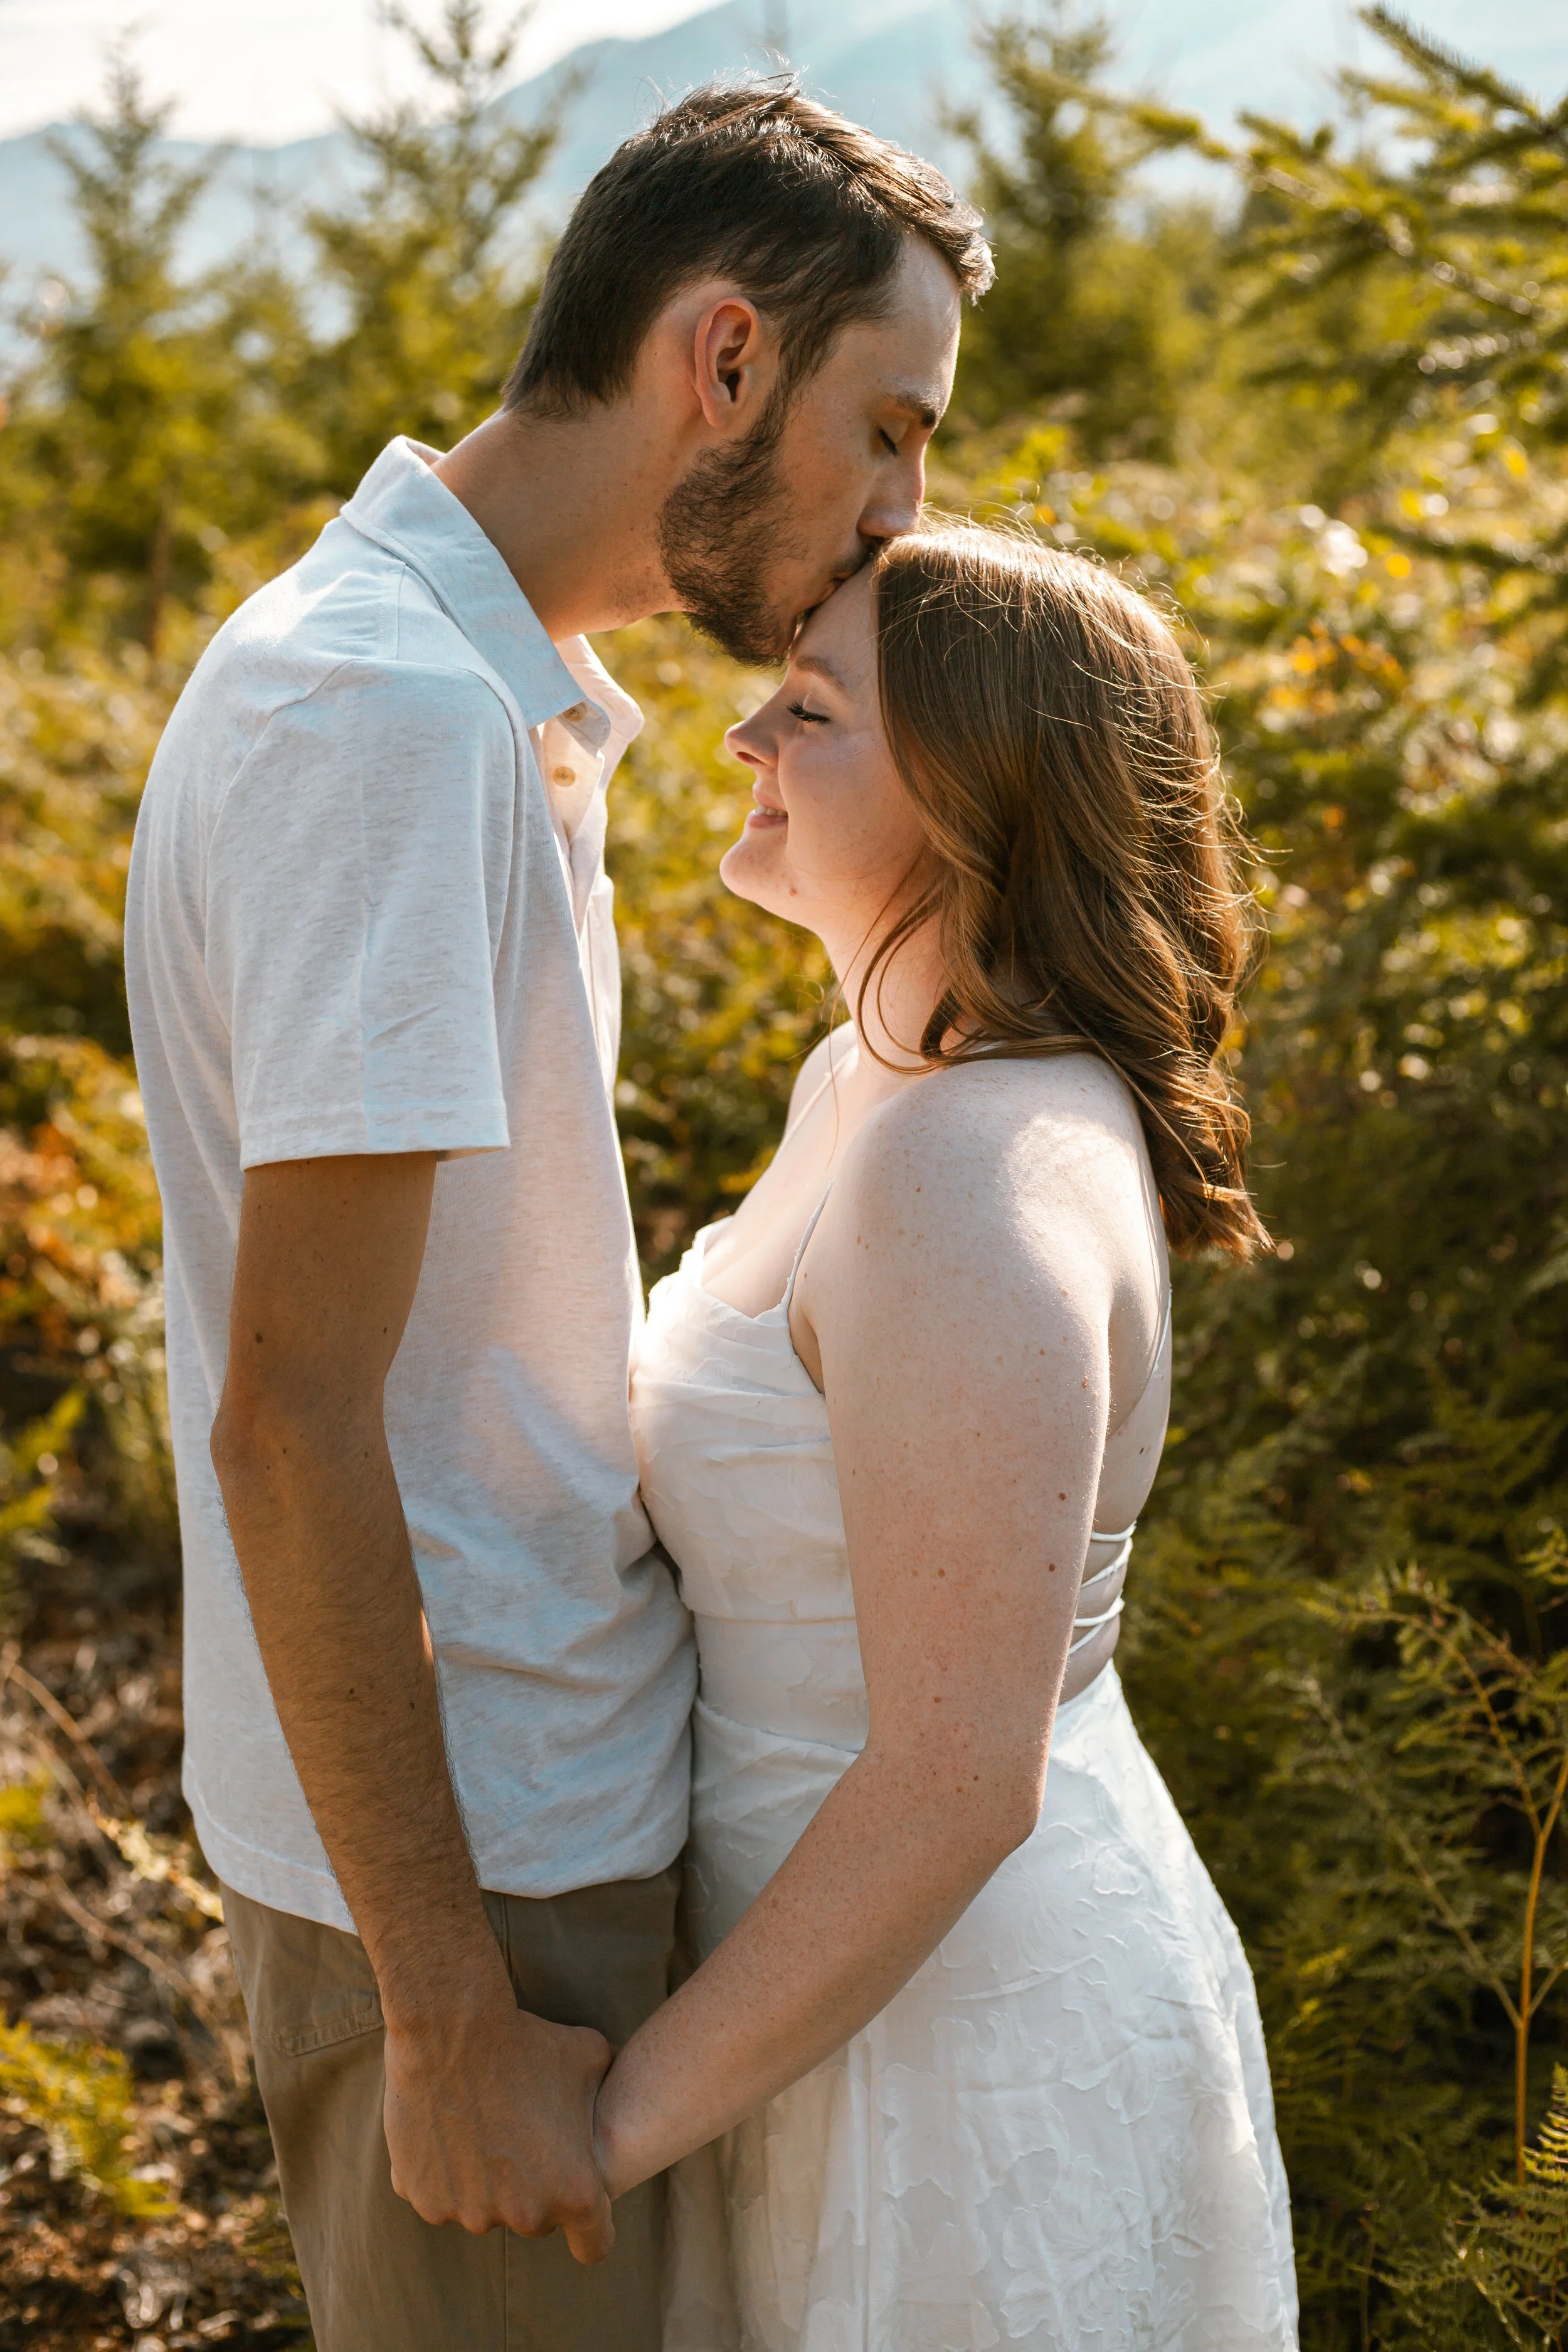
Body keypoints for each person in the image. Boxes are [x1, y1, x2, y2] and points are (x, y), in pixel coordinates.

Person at [122, 83, 992, 2352]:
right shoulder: (386, 719)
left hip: (529, 1818)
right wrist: (439, 2012)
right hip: (476, 1876)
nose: (902, 518)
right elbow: (288, 1419)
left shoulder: (476, 693)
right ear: (720, 360)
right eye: (885, 432)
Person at [608, 527, 1301, 2349]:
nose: (745, 735)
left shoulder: (966, 1162)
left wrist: (605, 2126)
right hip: (799, 1993)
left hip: (949, 2045)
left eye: (812, 707)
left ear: (975, 797)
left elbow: (950, 1781)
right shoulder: (867, 1080)